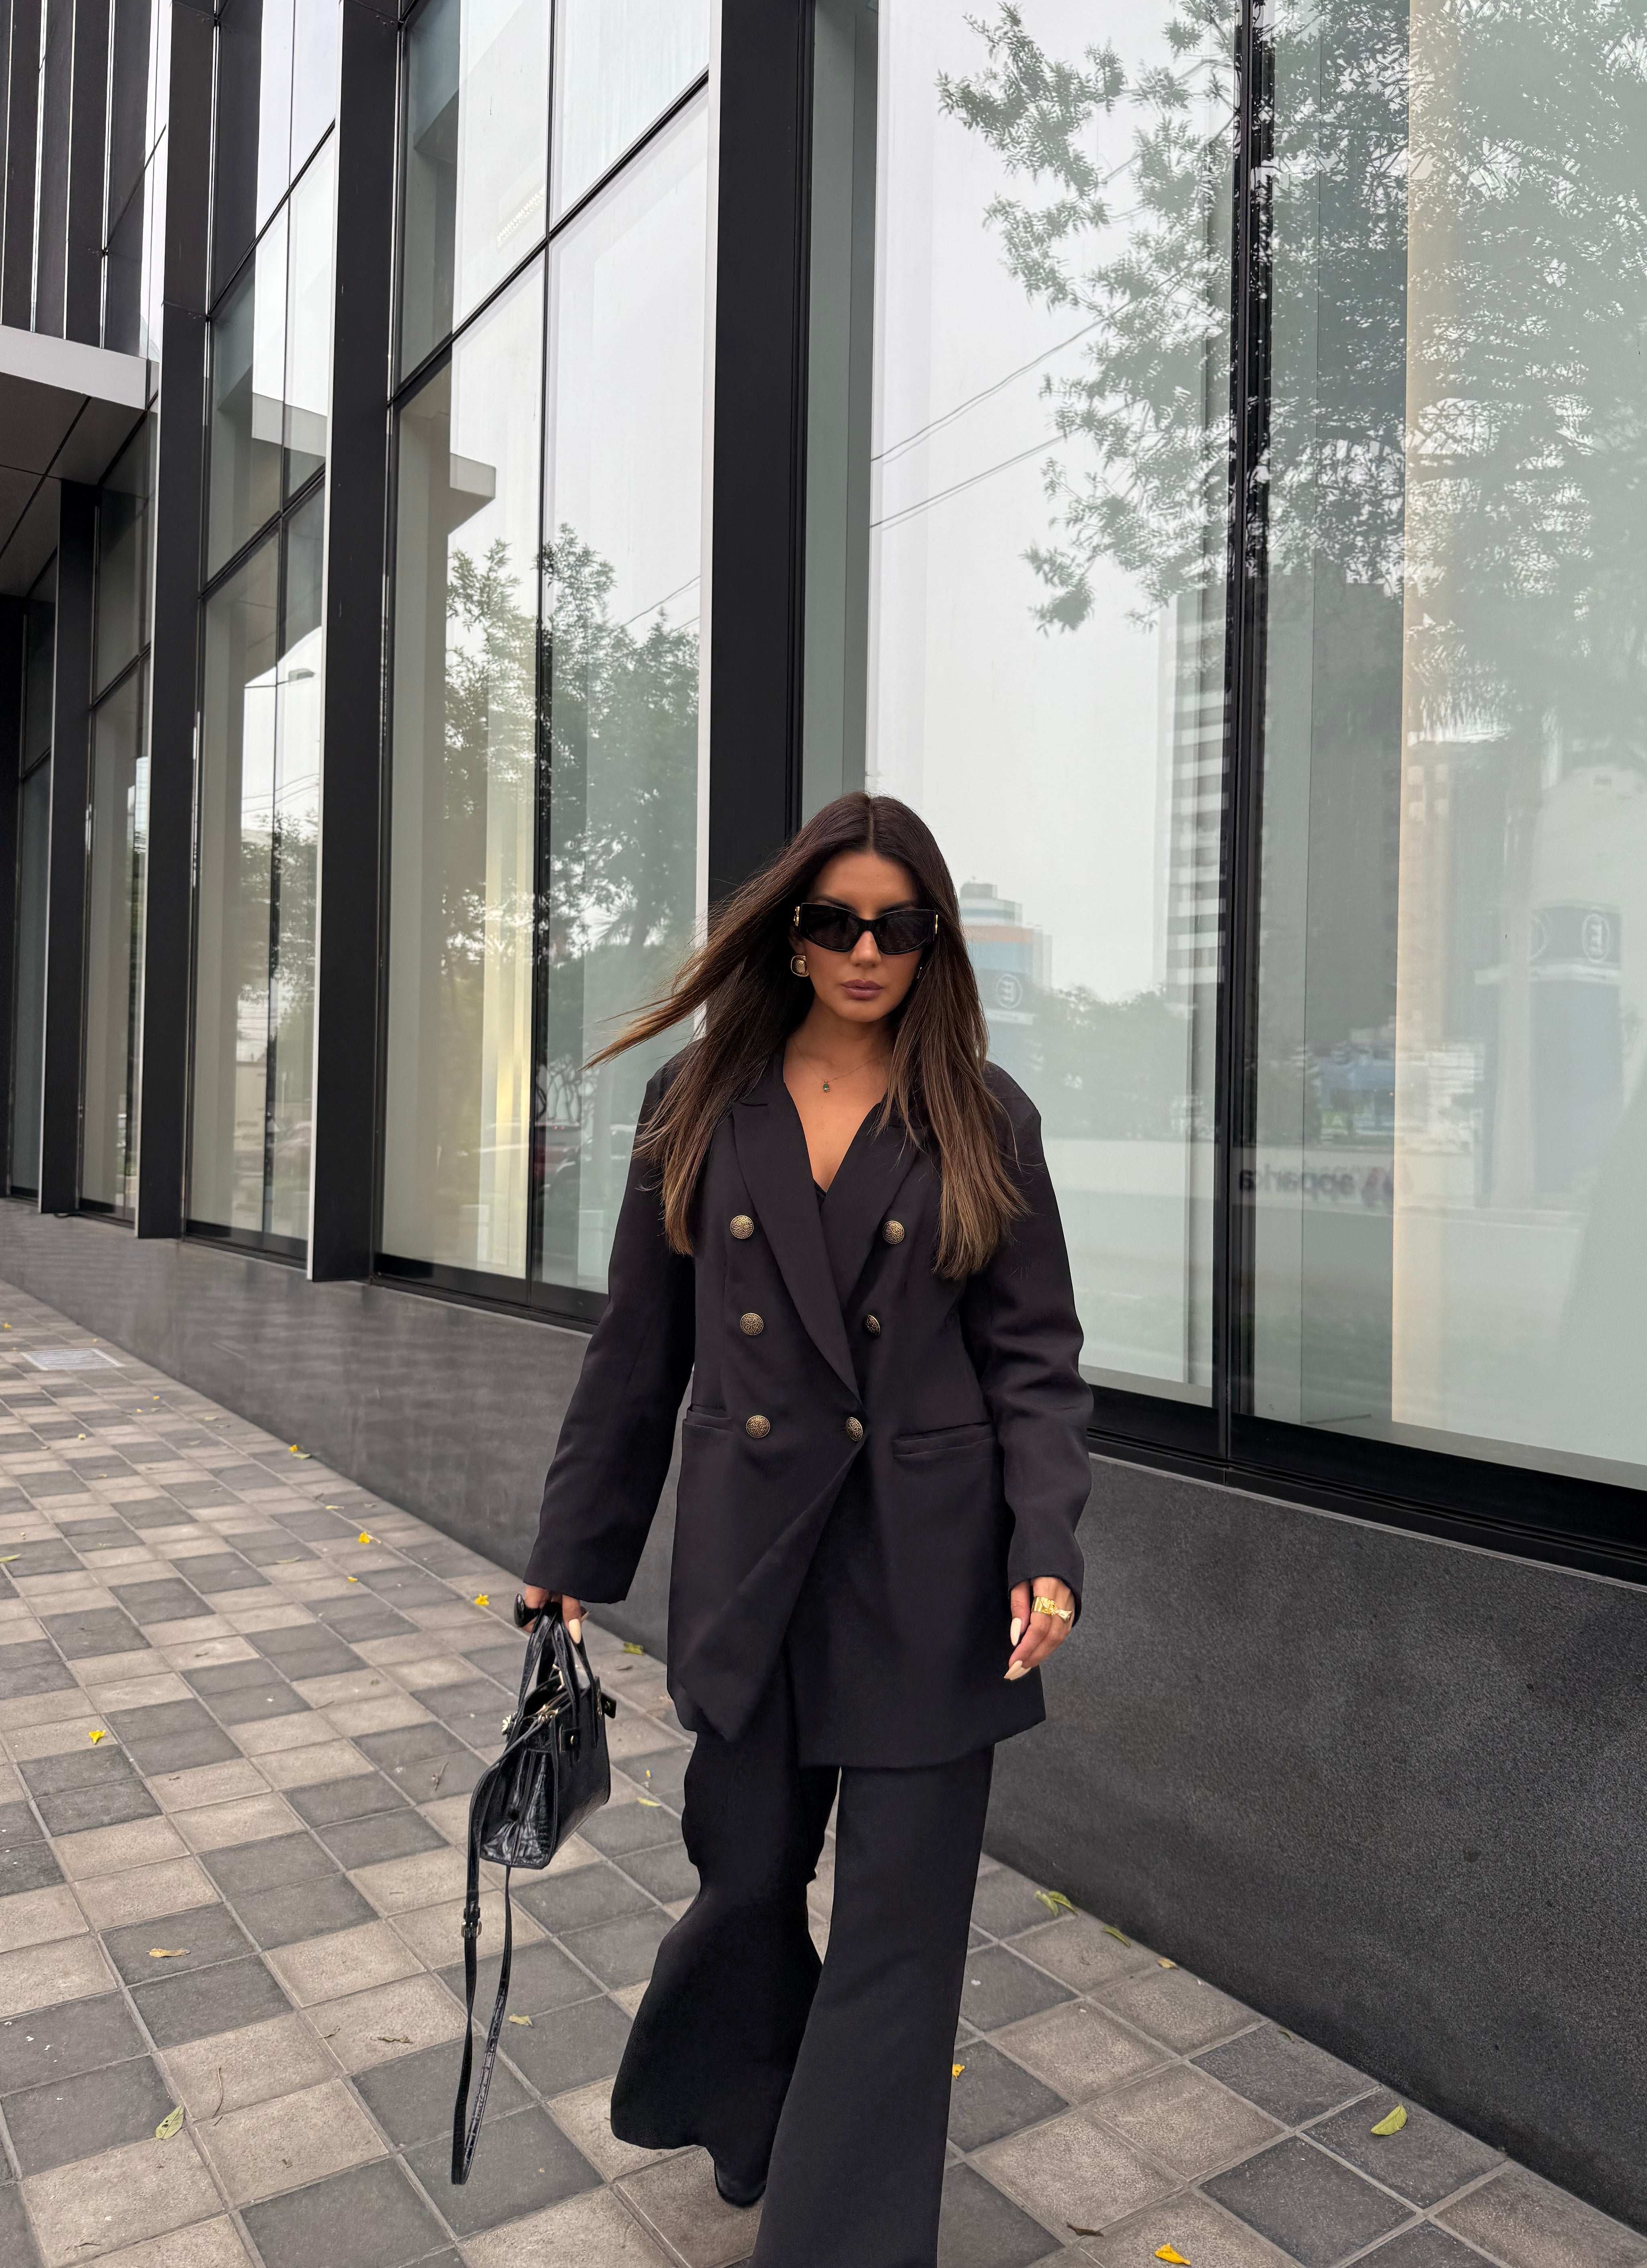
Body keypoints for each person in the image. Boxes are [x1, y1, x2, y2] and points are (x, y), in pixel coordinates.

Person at [521, 791, 1092, 2268]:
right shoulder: (699, 1102)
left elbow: (1033, 1360)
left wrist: (1045, 1544)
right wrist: (575, 1554)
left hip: (932, 1570)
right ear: (789, 935)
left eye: (897, 927)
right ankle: (744, 2098)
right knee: (748, 1871)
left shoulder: (982, 1114)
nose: (864, 950)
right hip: (752, 1567)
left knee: (902, 1934)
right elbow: (637, 1350)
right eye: (835, 921)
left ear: (932, 941)